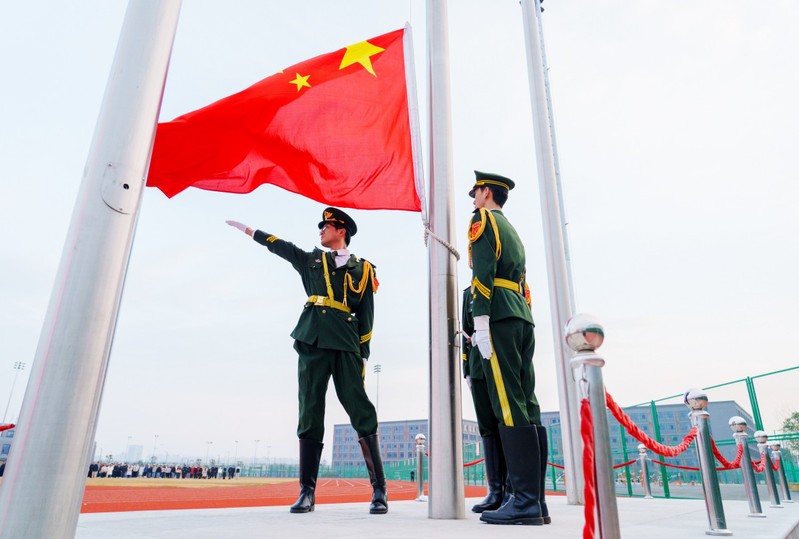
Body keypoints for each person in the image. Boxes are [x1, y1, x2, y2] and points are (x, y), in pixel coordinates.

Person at [226, 207, 388, 515]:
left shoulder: (364, 269)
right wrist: (251, 231)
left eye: (326, 226)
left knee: (360, 408)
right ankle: (307, 492)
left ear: (341, 230)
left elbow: (367, 315)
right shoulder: (311, 260)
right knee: (310, 410)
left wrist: (363, 355)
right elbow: (282, 247)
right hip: (312, 339)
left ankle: (379, 489)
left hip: (346, 344)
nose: (321, 231)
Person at [465, 171, 549, 525]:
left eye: (475, 192)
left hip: (498, 313)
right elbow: (523, 283)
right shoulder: (512, 230)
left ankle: (525, 502)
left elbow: (483, 273)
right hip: (520, 314)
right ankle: (535, 501)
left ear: (486, 192)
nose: (473, 199)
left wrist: (481, 321)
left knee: (508, 402)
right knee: (527, 403)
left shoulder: (483, 220)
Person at [461, 286, 510, 513]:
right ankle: (495, 491)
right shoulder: (467, 294)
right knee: (487, 426)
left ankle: (511, 489)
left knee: (507, 421)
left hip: (500, 357)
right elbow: (465, 332)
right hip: (477, 364)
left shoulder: (503, 287)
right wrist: (466, 369)